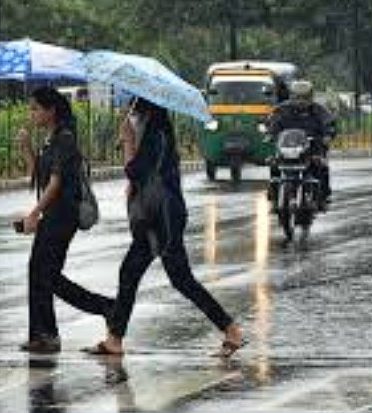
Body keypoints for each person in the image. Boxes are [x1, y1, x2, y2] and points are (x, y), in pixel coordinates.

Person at [85, 97, 244, 358]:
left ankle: (231, 329)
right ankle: (114, 340)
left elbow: (135, 170)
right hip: (154, 217)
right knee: (130, 273)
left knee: (180, 279)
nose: (131, 116)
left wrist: (128, 142)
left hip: (164, 219)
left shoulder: (156, 135)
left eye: (135, 111)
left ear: (146, 113)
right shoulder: (154, 134)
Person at [17, 87, 115, 354]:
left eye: (36, 108)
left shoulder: (65, 139)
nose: (32, 114)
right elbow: (39, 177)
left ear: (51, 111)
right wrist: (26, 149)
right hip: (52, 214)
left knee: (46, 274)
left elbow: (56, 183)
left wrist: (34, 213)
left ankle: (106, 308)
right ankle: (43, 334)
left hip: (63, 215)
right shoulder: (49, 140)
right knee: (38, 271)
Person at [266, 80, 336, 212]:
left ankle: (323, 197)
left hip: (312, 148)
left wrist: (327, 135)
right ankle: (274, 197)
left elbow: (329, 123)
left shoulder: (319, 111)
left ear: (311, 97)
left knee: (321, 166)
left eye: (304, 97)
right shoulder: (281, 110)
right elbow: (272, 122)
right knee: (274, 164)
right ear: (291, 96)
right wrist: (270, 133)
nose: (300, 101)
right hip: (287, 148)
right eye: (297, 97)